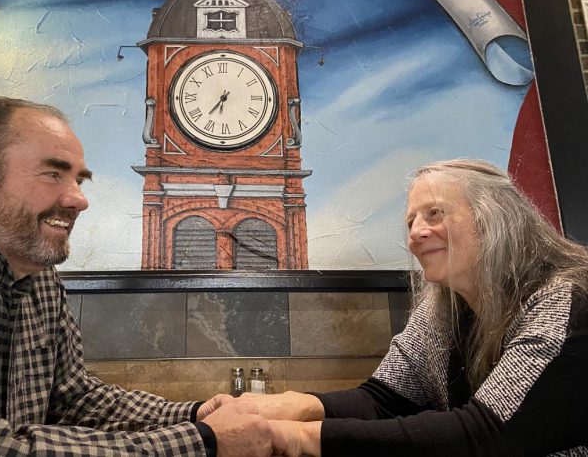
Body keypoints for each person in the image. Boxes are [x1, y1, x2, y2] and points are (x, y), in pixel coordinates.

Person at [0, 96, 273, 456]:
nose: (79, 199)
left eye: (79, 180)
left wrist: (194, 414)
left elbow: (76, 400)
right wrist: (201, 442)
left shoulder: (40, 279)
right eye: (53, 174)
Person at [248, 159, 588, 456]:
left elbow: (485, 435)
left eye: (434, 214)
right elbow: (382, 399)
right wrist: (287, 406)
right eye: (411, 221)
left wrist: (295, 435)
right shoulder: (440, 308)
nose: (416, 233)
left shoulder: (568, 299)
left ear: (495, 218)